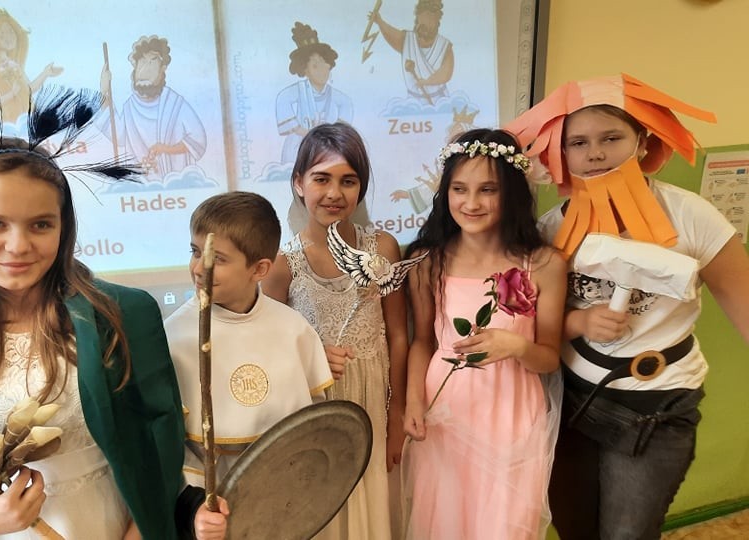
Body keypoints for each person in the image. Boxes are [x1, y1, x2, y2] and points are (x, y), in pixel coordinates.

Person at [0, 83, 228, 539]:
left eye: (40, 224)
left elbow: (159, 441)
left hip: (108, 523)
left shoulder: (124, 315)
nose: (18, 245)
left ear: (63, 226)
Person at [506, 74, 749, 539]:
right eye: (578, 143)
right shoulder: (548, 229)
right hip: (570, 398)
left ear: (642, 143)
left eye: (611, 138)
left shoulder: (692, 217)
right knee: (575, 528)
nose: (595, 153)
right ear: (561, 153)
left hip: (657, 405)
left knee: (628, 534)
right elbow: (531, 325)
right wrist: (578, 320)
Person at [400, 128, 566, 539]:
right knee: (445, 521)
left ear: (511, 193)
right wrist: (413, 401)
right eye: (459, 189)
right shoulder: (426, 259)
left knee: (502, 525)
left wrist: (517, 345)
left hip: (510, 413)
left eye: (487, 190)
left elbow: (549, 357)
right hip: (446, 409)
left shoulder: (543, 264)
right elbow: (423, 341)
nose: (471, 203)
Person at [262, 122, 407, 540]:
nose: (334, 193)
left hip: (374, 405)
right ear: (298, 183)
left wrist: (397, 414)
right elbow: (269, 352)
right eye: (321, 179)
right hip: (318, 409)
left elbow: (399, 335)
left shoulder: (383, 248)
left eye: (348, 181)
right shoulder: (283, 264)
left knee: (374, 510)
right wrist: (311, 356)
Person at [165, 191, 333, 486]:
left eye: (217, 259)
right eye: (195, 252)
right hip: (212, 491)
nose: (199, 268)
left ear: (260, 269)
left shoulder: (293, 329)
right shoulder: (174, 335)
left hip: (288, 484)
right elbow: (175, 445)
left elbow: (312, 421)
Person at [98, 35, 206, 178]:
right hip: (140, 184)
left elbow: (198, 140)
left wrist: (166, 149)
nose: (145, 70)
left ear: (163, 69)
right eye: (142, 62)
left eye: (152, 62)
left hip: (176, 183)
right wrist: (104, 93)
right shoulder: (130, 107)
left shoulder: (175, 104)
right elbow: (119, 136)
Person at [276, 22, 353, 164]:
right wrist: (300, 130)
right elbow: (282, 99)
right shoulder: (299, 90)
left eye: (323, 63)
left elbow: (347, 103)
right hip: (300, 144)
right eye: (315, 66)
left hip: (326, 146)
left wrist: (336, 132)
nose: (322, 70)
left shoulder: (333, 94)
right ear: (305, 70)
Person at [0, 8, 63, 125]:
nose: (9, 37)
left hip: (26, 115)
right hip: (6, 119)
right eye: (1, 35)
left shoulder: (14, 64)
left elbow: (28, 90)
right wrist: (12, 93)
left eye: (10, 31)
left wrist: (46, 73)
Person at [370, 0, 454, 104]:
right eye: (421, 23)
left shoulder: (445, 46)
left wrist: (427, 82)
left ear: (436, 22)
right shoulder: (407, 39)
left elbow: (446, 73)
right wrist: (380, 22)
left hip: (439, 100)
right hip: (414, 102)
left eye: (430, 20)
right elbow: (392, 34)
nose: (425, 26)